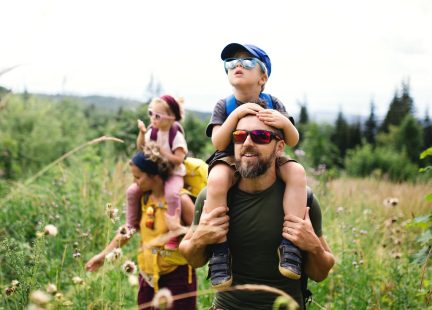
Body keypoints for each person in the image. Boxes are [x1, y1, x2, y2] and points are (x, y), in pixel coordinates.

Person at [179, 115, 335, 309]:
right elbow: (192, 259)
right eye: (239, 136)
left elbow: (320, 274)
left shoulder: (303, 200)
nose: (247, 143)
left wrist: (313, 247)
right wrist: (199, 239)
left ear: (279, 148)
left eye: (260, 136)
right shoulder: (212, 197)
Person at [204, 43, 308, 288]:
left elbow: (292, 140)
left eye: (247, 62)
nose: (237, 65)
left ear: (263, 77)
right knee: (217, 180)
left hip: (266, 155)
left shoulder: (273, 102)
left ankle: (290, 245)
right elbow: (219, 142)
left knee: (296, 171)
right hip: (230, 157)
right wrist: (236, 117)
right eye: (231, 63)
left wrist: (283, 121)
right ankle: (220, 251)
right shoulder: (224, 105)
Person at [86, 145, 197, 309]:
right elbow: (128, 230)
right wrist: (103, 256)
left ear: (155, 176)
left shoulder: (181, 200)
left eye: (138, 177)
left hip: (177, 277)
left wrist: (179, 229)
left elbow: (203, 233)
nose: (135, 183)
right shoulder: (143, 198)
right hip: (147, 277)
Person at [126, 95, 188, 249]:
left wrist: (163, 152)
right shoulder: (152, 132)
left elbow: (179, 159)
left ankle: (174, 232)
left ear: (171, 118)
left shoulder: (176, 135)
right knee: (133, 191)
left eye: (157, 116)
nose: (153, 118)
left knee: (172, 194)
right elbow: (141, 147)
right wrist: (142, 133)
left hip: (173, 173)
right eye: (150, 114)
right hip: (157, 173)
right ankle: (131, 224)